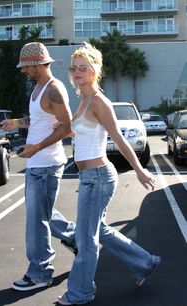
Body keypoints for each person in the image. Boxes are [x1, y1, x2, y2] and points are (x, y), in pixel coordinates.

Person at [57, 42, 162, 305]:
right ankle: (145, 262)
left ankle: (80, 293)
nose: (78, 72)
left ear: (94, 72)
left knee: (86, 238)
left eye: (84, 68)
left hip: (99, 177)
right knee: (98, 231)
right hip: (90, 177)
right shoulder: (83, 100)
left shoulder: (99, 101)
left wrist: (139, 169)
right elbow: (78, 133)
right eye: (75, 68)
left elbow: (118, 138)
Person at [0, 42, 76, 291]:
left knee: (37, 221)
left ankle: (41, 273)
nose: (23, 71)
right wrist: (16, 123)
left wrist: (36, 148)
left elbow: (66, 127)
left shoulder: (54, 88)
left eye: (26, 66)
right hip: (37, 164)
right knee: (43, 214)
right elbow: (38, 120)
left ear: (39, 63)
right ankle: (78, 239)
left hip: (46, 164)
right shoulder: (38, 89)